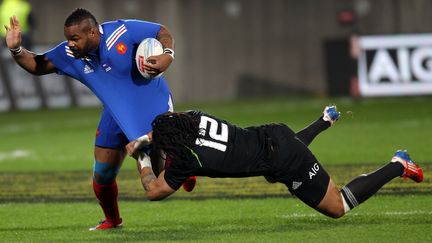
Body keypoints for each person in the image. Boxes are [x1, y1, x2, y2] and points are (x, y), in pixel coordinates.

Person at [4, 8, 196, 230]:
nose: (70, 44)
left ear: (93, 33)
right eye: (68, 39)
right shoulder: (69, 54)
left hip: (149, 102)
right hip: (114, 113)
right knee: (102, 174)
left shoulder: (121, 32)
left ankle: (184, 164)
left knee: (159, 176)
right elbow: (37, 65)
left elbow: (161, 32)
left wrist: (167, 55)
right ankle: (113, 221)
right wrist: (16, 49)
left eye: (75, 38)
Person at [126, 106, 424, 218]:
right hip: (274, 133)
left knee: (337, 207)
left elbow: (154, 191)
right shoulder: (193, 116)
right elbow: (165, 130)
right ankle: (323, 121)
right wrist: (146, 140)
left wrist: (142, 157)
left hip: (282, 158)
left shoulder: (187, 161)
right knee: (275, 165)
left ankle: (399, 164)